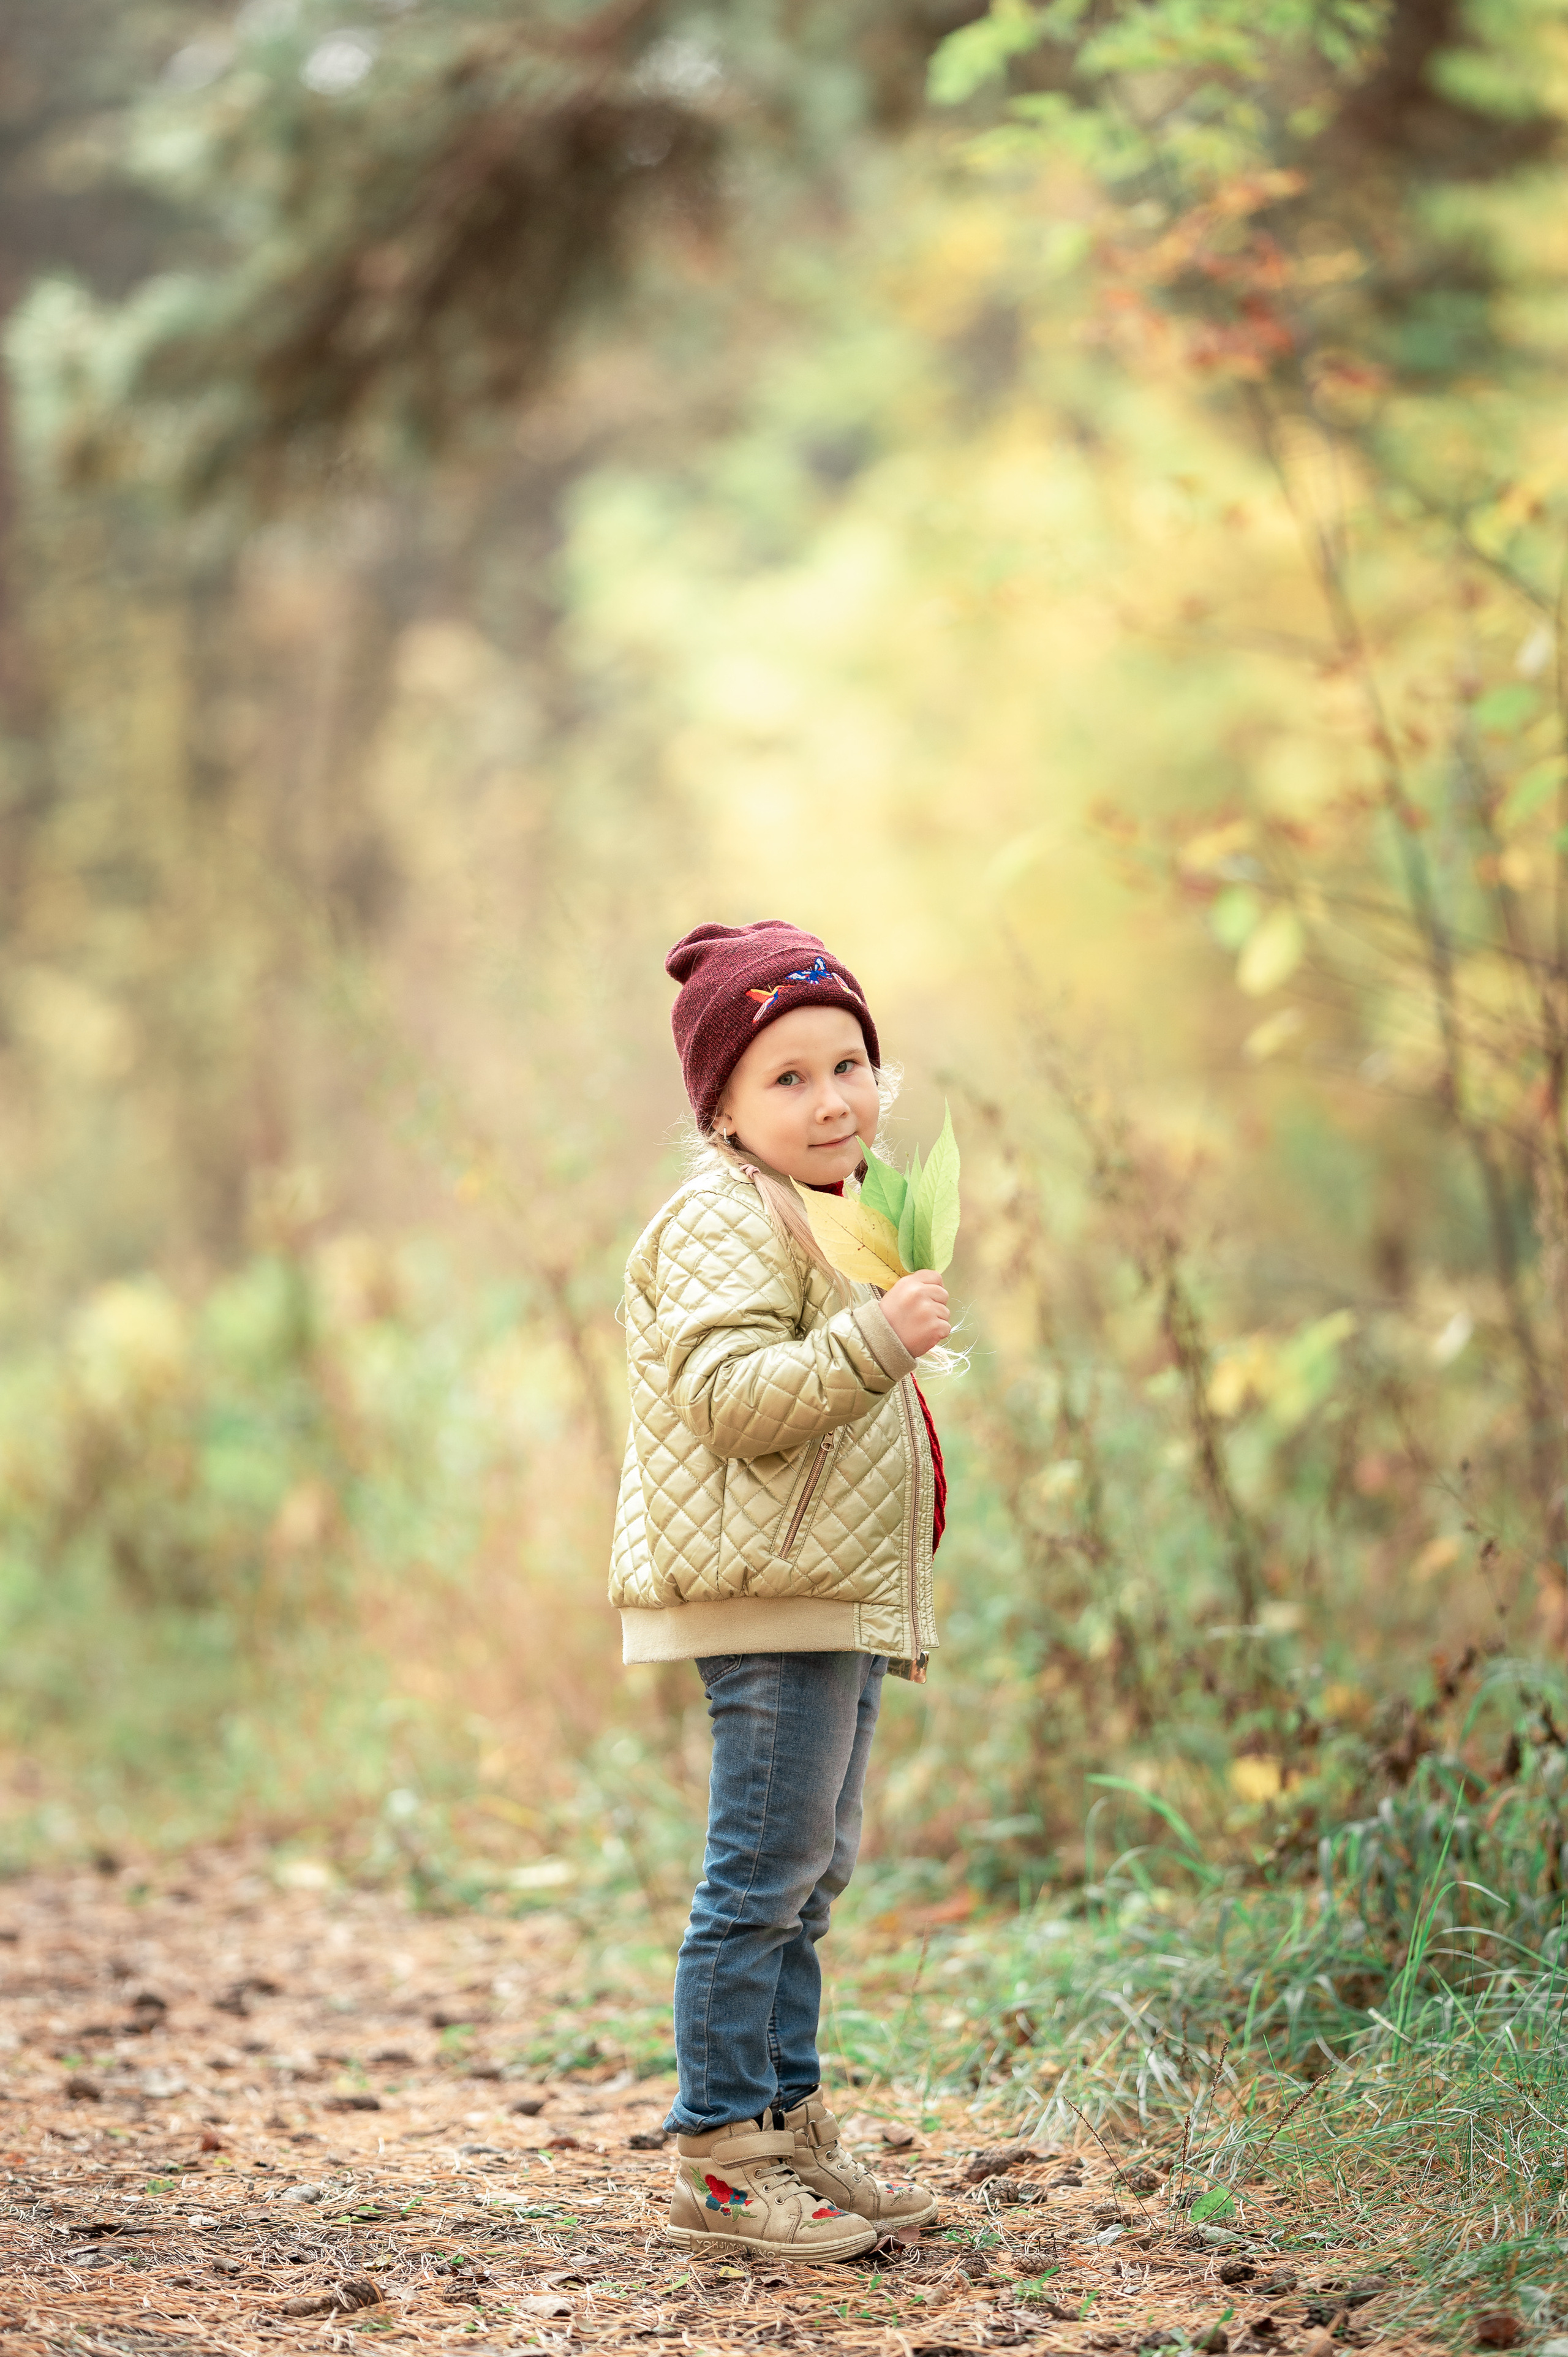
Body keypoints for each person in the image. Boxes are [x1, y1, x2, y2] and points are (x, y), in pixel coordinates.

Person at [610, 919, 952, 2258]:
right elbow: (728, 1400)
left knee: (808, 1876)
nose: (830, 1101)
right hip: (768, 1596)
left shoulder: (835, 1210)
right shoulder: (721, 1215)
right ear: (724, 1109)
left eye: (847, 1065)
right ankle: (719, 2160)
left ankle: (787, 2127)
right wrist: (876, 1340)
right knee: (758, 1877)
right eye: (788, 1078)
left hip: (827, 1590)